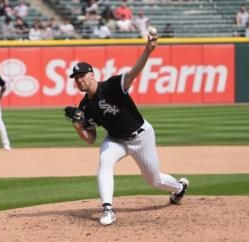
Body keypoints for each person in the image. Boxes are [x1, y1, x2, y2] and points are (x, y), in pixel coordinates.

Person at [65, 36, 189, 226]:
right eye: (76, 78)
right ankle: (108, 209)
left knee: (153, 181)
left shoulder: (112, 86)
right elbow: (90, 138)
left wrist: (148, 50)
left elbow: (133, 73)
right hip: (116, 140)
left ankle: (179, 188)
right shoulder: (84, 107)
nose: (79, 80)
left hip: (141, 135)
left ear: (92, 74)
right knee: (105, 161)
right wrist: (77, 128)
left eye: (82, 76)